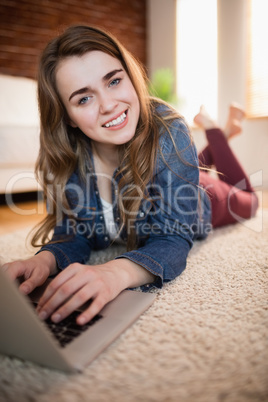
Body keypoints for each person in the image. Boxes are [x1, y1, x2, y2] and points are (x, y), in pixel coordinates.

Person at [2, 25, 258, 326]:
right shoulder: (68, 157)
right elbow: (73, 234)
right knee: (186, 165)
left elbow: (173, 238)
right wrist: (44, 260)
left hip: (203, 200)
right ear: (66, 116)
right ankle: (215, 144)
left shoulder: (169, 129)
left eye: (113, 81)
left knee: (250, 201)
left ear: (131, 77)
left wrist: (116, 271)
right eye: (83, 99)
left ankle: (217, 132)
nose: (108, 105)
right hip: (175, 172)